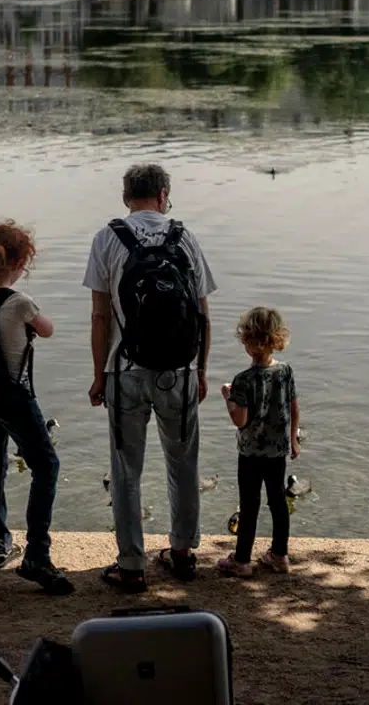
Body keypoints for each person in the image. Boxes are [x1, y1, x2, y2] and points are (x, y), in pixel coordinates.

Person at [85, 164, 217, 592]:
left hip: (125, 371)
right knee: (184, 465)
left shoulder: (108, 238)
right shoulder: (186, 237)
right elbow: (202, 314)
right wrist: (201, 370)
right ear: (163, 195)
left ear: (126, 198)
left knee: (126, 471)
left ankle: (132, 565)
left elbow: (100, 316)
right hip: (179, 372)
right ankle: (181, 554)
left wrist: (98, 375)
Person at [0, 221, 74, 595]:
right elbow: (47, 330)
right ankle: (37, 554)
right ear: (20, 262)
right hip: (14, 397)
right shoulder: (20, 302)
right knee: (47, 466)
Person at [217, 308, 300, 578]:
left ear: (248, 341)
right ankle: (279, 554)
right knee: (277, 501)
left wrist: (228, 396)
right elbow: (293, 407)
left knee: (249, 505)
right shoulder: (285, 372)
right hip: (277, 451)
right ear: (276, 339)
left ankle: (242, 560)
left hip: (251, 453)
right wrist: (293, 440)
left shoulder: (243, 380)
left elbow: (240, 420)